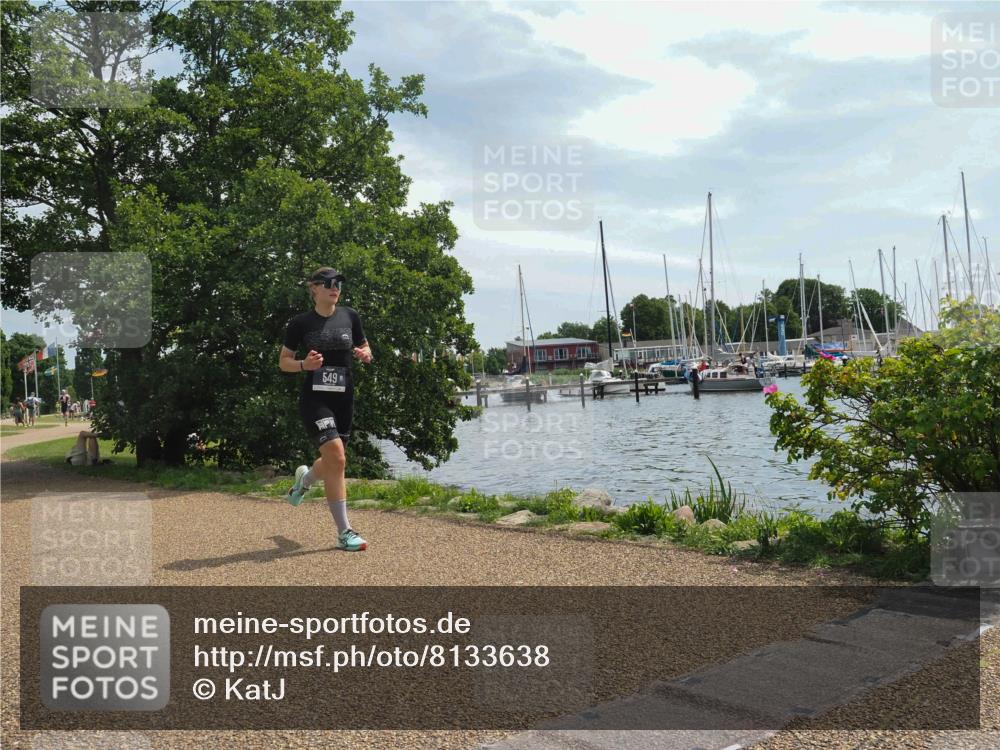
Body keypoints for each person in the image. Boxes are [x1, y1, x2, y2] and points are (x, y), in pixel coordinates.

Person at [279, 267, 373, 552]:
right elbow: (284, 362)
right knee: (337, 457)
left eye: (339, 284)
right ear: (314, 288)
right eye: (329, 283)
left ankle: (304, 481)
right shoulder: (300, 323)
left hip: (344, 400)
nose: (335, 288)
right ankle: (344, 532)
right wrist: (303, 365)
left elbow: (366, 347)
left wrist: (365, 354)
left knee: (334, 461)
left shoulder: (350, 316)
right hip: (315, 400)